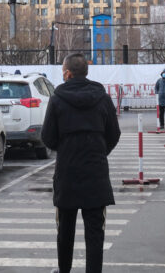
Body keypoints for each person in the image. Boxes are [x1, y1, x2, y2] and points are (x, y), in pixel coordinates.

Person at [41, 53, 121, 273]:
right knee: (95, 234)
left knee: (65, 231)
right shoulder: (102, 98)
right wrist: (98, 152)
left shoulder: (57, 99)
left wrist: (67, 150)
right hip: (96, 175)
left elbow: (47, 137)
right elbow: (114, 134)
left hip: (67, 175)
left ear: (67, 73)